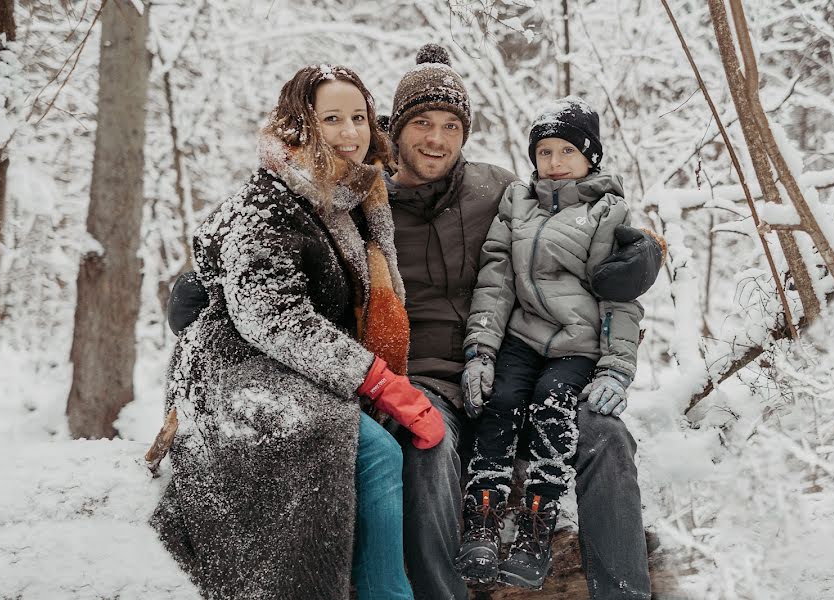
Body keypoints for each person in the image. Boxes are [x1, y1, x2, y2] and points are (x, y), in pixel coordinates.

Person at [168, 45, 663, 600]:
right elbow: (279, 234)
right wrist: (204, 284)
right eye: (422, 123)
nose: (436, 139)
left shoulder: (496, 189)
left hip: (513, 367)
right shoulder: (360, 201)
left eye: (451, 125)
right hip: (423, 377)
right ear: (395, 128)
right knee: (427, 452)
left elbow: (573, 216)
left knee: (607, 436)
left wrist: (642, 252)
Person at [151, 64, 444, 600]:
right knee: (376, 453)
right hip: (239, 370)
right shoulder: (267, 202)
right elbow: (272, 316)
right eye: (332, 118)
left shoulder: (355, 198)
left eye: (359, 117)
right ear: (299, 123)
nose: (351, 132)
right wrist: (378, 381)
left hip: (299, 369)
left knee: (386, 449)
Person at [455, 96, 667, 590]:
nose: (553, 163)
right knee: (500, 401)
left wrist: (616, 367)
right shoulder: (517, 202)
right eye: (544, 152)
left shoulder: (606, 212)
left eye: (566, 152)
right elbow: (496, 280)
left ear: (590, 157)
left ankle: (535, 525)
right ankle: (483, 521)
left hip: (577, 345)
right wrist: (481, 350)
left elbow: (620, 298)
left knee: (552, 406)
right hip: (522, 338)